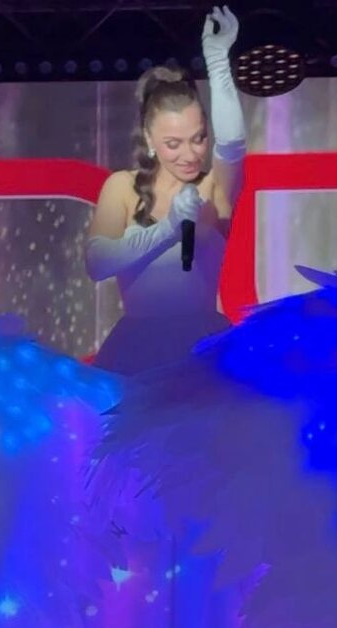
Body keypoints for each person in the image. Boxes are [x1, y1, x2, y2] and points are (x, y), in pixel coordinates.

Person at [85, 6, 245, 374]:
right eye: (174, 144)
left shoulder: (213, 187)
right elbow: (97, 263)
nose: (190, 154)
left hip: (201, 351)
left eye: (198, 138)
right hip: (135, 353)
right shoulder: (122, 187)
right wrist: (168, 229)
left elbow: (233, 145)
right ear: (149, 139)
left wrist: (218, 64)